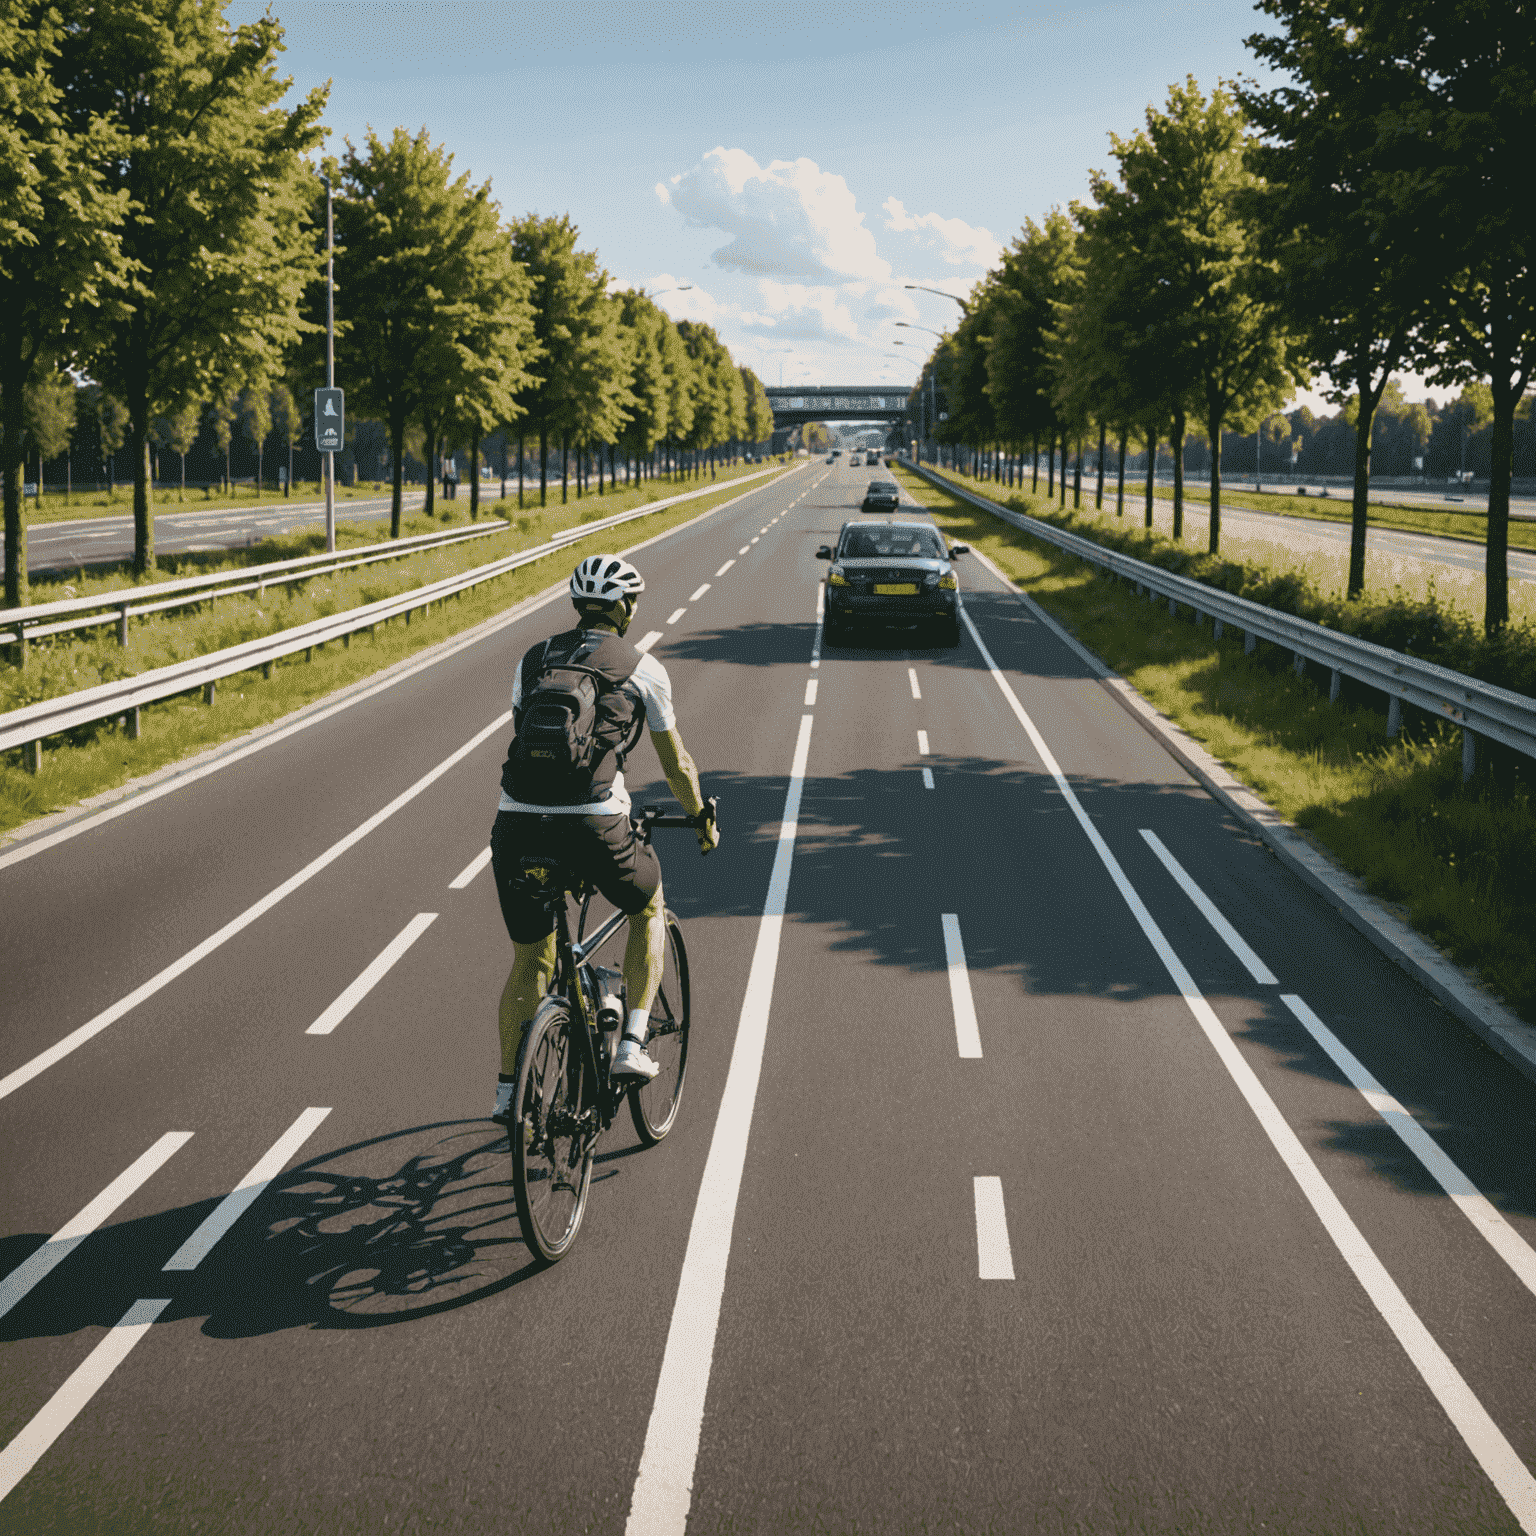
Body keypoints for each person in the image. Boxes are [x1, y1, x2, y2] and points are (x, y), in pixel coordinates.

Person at [489, 554, 719, 1122]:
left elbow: (534, 742)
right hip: (594, 820)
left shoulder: (533, 660)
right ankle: (634, 1045)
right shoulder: (643, 668)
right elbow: (675, 761)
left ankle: (505, 1092)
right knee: (648, 907)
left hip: (516, 821)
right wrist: (700, 817)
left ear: (577, 606)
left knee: (529, 961)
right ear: (625, 608)